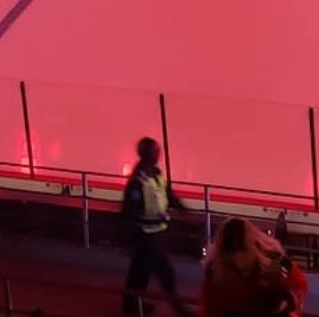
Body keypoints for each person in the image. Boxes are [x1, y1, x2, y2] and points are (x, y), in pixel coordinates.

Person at [121, 136, 190, 316]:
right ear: (146, 154)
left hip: (157, 232)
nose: (158, 153)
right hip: (145, 235)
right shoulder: (138, 180)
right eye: (155, 150)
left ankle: (132, 303)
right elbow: (129, 211)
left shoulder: (156, 174)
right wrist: (129, 238)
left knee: (139, 270)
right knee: (164, 270)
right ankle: (179, 307)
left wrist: (180, 206)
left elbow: (167, 194)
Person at [201, 218, 306, 317]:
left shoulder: (277, 262)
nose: (238, 261)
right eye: (231, 256)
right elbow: (210, 309)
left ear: (254, 247)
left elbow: (298, 286)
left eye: (243, 253)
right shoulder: (214, 273)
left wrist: (287, 300)